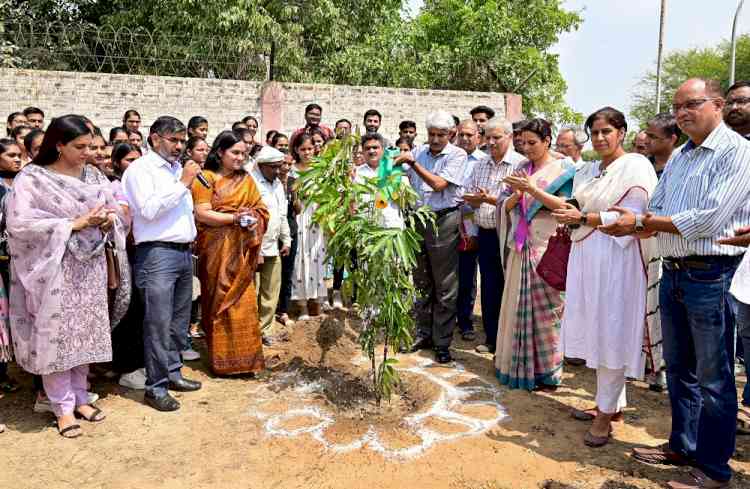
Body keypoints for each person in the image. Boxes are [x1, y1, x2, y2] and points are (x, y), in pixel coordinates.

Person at [600, 78, 750, 489]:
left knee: (715, 378)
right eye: (677, 106)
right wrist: (635, 222)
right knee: (680, 368)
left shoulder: (738, 152)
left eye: (692, 104)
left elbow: (709, 218)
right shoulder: (682, 154)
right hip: (677, 271)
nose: (682, 112)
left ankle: (715, 470)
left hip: (712, 275)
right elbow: (660, 205)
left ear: (717, 105)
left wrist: (644, 223)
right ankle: (682, 446)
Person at [7, 114, 130, 437]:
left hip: (89, 266)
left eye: (90, 146)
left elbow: (116, 208)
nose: (88, 153)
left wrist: (107, 221)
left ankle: (80, 396)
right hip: (54, 268)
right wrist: (71, 225)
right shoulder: (33, 179)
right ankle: (61, 407)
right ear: (59, 145)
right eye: (80, 147)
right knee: (58, 336)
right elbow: (19, 224)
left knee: (85, 332)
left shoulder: (93, 175)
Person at [550, 107, 658, 447]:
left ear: (621, 132)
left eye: (606, 132)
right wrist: (574, 217)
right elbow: (576, 211)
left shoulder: (636, 166)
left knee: (613, 328)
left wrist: (585, 216)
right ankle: (611, 405)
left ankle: (604, 416)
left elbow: (633, 217)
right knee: (596, 327)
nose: (599, 138)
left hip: (618, 257)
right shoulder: (587, 171)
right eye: (594, 133)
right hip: (586, 255)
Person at [122, 116, 204, 412]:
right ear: (155, 138)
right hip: (156, 254)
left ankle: (172, 373)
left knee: (178, 321)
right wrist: (184, 183)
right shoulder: (140, 170)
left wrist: (182, 179)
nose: (180, 147)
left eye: (183, 141)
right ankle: (155, 387)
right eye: (174, 140)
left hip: (183, 252)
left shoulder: (175, 169)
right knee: (157, 322)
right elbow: (149, 210)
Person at [494, 118, 576, 390]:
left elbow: (567, 207)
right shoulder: (521, 168)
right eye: (522, 143)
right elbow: (503, 204)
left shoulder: (564, 170)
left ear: (547, 141)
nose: (526, 148)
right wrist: (517, 196)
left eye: (533, 143)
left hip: (547, 244)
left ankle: (548, 371)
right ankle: (518, 365)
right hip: (522, 241)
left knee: (548, 312)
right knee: (518, 305)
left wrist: (533, 190)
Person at [191, 130, 268, 376]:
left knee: (244, 303)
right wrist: (235, 218)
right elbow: (201, 213)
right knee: (218, 300)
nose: (240, 158)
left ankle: (246, 361)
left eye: (244, 153)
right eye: (235, 152)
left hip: (241, 252)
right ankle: (222, 361)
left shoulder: (247, 179)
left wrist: (252, 218)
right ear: (220, 152)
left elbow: (261, 210)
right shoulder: (205, 178)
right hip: (216, 250)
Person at [396, 111, 466, 364]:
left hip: (443, 221)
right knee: (421, 280)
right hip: (418, 220)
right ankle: (422, 333)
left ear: (451, 134)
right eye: (432, 134)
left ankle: (442, 341)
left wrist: (413, 163)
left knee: (445, 284)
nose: (435, 140)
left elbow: (438, 184)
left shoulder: (457, 155)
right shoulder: (420, 152)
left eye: (441, 135)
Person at [462, 118, 524, 354]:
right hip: (487, 233)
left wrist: (488, 198)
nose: (491, 142)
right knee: (490, 287)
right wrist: (478, 198)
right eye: (487, 137)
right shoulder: (480, 164)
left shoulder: (520, 164)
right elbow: (467, 194)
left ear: (509, 136)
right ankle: (492, 338)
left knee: (512, 286)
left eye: (496, 137)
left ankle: (511, 341)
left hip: (510, 233)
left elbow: (517, 201)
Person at [251, 146, 291, 334]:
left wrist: (287, 239)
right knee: (252, 291)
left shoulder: (277, 184)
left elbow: (281, 214)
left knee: (270, 290)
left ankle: (265, 330)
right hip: (253, 247)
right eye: (273, 167)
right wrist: (256, 248)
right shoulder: (251, 183)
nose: (277, 171)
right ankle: (250, 331)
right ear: (262, 165)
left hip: (272, 246)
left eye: (279, 166)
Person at [453, 120, 486, 343]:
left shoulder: (484, 162)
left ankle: (465, 321)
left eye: (469, 135)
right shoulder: (451, 156)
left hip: (472, 225)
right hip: (446, 223)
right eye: (461, 134)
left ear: (478, 137)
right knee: (447, 275)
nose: (464, 138)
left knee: (467, 276)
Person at [290, 133, 327, 319]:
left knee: (317, 258)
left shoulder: (321, 170)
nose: (306, 153)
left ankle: (317, 304)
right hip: (300, 218)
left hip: (317, 219)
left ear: (315, 149)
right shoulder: (291, 171)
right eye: (303, 149)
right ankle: (302, 305)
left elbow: (329, 195)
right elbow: (293, 203)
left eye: (309, 149)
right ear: (296, 150)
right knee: (300, 259)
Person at [0, 139, 22, 398]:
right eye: (11, 155)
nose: (17, 159)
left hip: (18, 261)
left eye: (20, 155)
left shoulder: (22, 184)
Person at [276, 152, 299, 327]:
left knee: (287, 272)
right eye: (284, 163)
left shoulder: (293, 182)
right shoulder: (270, 181)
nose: (286, 167)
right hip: (273, 232)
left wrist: (295, 195)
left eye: (289, 164)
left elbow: (297, 210)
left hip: (290, 230)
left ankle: (283, 309)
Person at [645, 113, 681, 177]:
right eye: (646, 135)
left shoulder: (683, 167)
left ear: (672, 139)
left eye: (652, 136)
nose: (646, 141)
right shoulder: (643, 165)